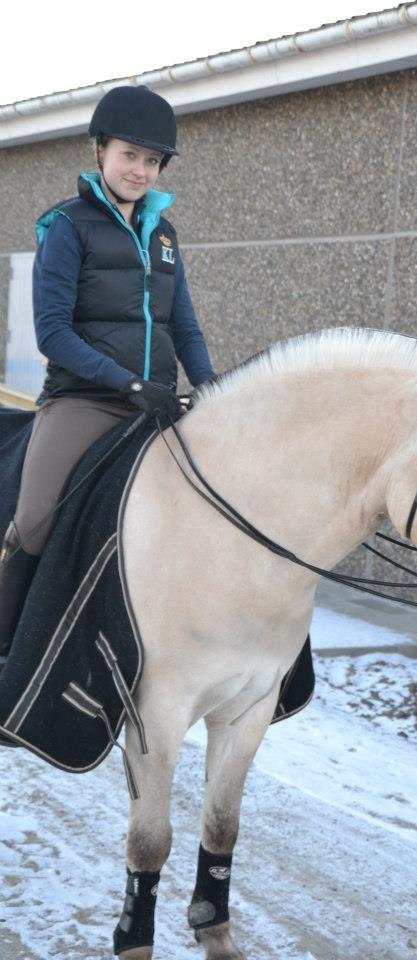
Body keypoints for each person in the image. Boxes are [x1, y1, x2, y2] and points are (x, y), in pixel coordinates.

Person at [0, 84, 216, 667]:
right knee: (36, 517)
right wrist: (126, 383)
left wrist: (212, 384)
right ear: (100, 151)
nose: (140, 170)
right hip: (86, 400)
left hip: (159, 402)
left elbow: (186, 327)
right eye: (130, 155)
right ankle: (5, 649)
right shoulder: (67, 227)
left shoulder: (165, 237)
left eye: (152, 160)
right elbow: (53, 334)